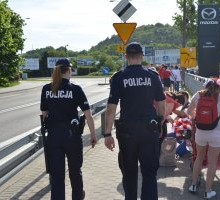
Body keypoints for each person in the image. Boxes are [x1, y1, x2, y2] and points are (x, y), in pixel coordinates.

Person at [104, 42, 166, 200]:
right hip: (149, 129)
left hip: (127, 132)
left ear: (126, 57)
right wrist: (160, 124)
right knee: (149, 173)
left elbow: (111, 108)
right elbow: (161, 103)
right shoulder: (153, 76)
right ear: (141, 56)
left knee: (129, 172)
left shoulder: (119, 77)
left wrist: (107, 134)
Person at [40, 58, 97, 200]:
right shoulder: (75, 89)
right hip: (72, 136)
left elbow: (44, 114)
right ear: (69, 70)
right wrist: (93, 135)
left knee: (57, 175)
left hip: (53, 136)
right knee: (74, 171)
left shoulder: (47, 89)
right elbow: (88, 115)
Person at [186, 78, 220, 199]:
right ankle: (208, 191)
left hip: (201, 133)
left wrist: (198, 117)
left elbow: (189, 111)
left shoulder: (198, 95)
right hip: (216, 134)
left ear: (205, 85)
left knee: (199, 158)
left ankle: (193, 185)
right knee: (212, 162)